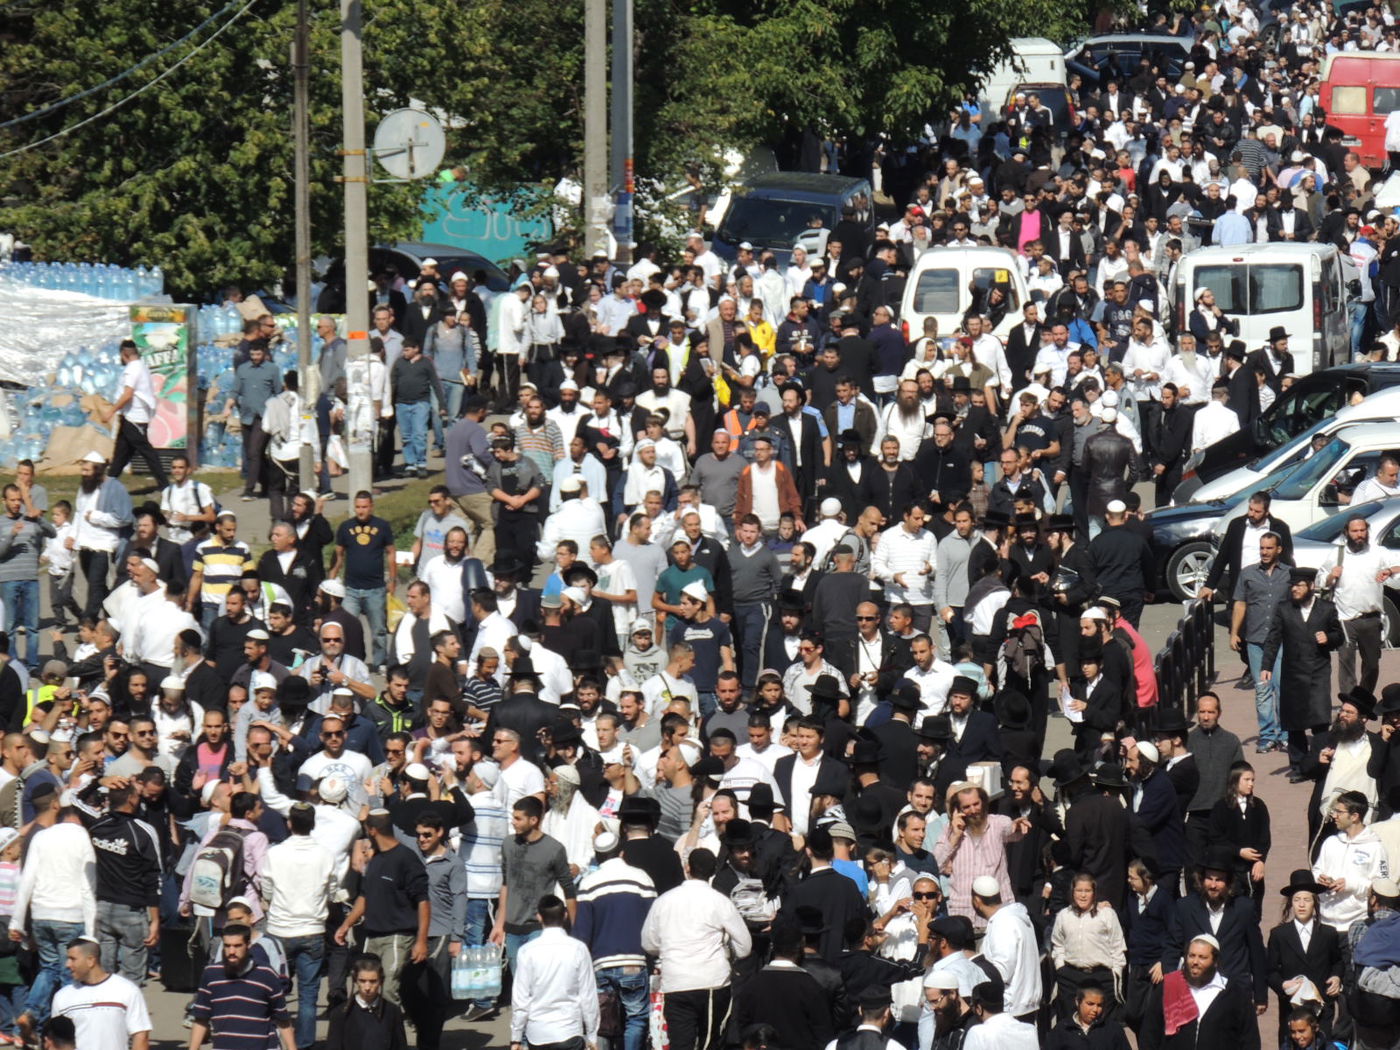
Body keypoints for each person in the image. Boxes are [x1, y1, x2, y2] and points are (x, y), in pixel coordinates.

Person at [640, 848, 751, 1050]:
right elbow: (744, 946)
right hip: (712, 982)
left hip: (676, 982)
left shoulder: (663, 901)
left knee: (681, 1043)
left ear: (687, 868)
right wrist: (727, 952)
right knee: (710, 1043)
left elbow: (649, 943)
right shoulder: (720, 901)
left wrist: (668, 950)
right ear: (713, 871)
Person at [332, 810, 429, 1010]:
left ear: (372, 830)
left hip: (397, 937)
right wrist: (346, 924)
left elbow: (423, 901)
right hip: (372, 936)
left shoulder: (406, 858)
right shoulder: (375, 859)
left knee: (388, 991)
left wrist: (421, 941)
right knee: (366, 991)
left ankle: (395, 1029)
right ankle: (370, 1029)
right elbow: (364, 896)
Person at [1139, 935, 1261, 1050]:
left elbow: (1249, 1039)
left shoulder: (1234, 994)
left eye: (1202, 957)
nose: (1195, 962)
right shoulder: (1169, 987)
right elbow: (1150, 1033)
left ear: (1215, 961)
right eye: (1192, 956)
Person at [510, 893, 600, 1050]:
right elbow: (588, 995)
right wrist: (592, 1035)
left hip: (537, 1034)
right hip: (569, 1031)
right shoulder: (578, 948)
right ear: (565, 915)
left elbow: (521, 999)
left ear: (539, 917)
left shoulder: (527, 951)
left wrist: (516, 1038)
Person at [1266, 870, 1343, 1044]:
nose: (1301, 905)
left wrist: (1336, 977)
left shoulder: (1328, 933)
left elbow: (1337, 962)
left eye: (1307, 900)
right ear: (1290, 903)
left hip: (1321, 1007)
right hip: (1291, 1008)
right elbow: (1270, 971)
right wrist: (1283, 985)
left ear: (1314, 903)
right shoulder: (1279, 934)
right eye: (1297, 900)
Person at [189, 924, 294, 1050]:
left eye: (237, 946)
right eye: (227, 946)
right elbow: (201, 1019)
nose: (231, 951)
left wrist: (292, 1047)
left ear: (248, 945)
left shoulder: (266, 974)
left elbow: (282, 1019)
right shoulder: (211, 974)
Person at [49, 938, 151, 1050]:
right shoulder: (62, 997)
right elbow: (58, 1042)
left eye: (73, 959)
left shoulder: (126, 989)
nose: (67, 964)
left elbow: (141, 1034)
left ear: (90, 960)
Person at [102, 340, 169, 490]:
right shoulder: (141, 366)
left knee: (147, 452)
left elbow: (128, 394)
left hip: (135, 419)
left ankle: (165, 486)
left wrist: (111, 411)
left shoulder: (133, 369)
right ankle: (109, 484)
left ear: (123, 354)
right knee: (121, 454)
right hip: (128, 417)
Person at [325, 955, 408, 1050]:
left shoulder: (392, 1011)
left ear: (381, 981)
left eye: (373, 981)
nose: (367, 987)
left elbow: (400, 1046)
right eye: (362, 981)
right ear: (355, 980)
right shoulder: (341, 1013)